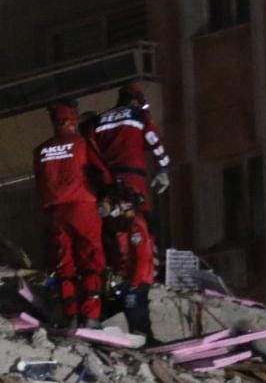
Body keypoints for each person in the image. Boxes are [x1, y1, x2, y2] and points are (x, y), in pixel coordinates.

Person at [89, 83, 170, 334]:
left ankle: (119, 274)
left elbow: (92, 152)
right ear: (136, 101)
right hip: (133, 178)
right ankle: (146, 279)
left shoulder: (100, 120)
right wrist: (164, 169)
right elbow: (154, 141)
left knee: (115, 230)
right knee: (142, 227)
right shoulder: (138, 116)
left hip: (109, 182)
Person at [34, 102, 108, 328]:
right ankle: (91, 316)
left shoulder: (41, 150)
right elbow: (102, 173)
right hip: (82, 206)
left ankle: (71, 315)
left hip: (55, 211)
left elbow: (39, 184)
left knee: (64, 262)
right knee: (91, 260)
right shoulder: (81, 143)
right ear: (72, 120)